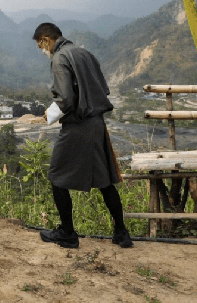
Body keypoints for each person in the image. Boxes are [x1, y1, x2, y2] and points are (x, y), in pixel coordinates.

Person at [33, 22, 133, 249]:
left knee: (57, 177)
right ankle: (121, 233)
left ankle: (68, 234)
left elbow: (66, 99)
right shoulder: (85, 53)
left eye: (40, 45)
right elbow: (103, 89)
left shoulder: (59, 59)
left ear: (46, 39)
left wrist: (50, 113)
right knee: (105, 181)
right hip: (97, 124)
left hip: (77, 126)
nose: (42, 50)